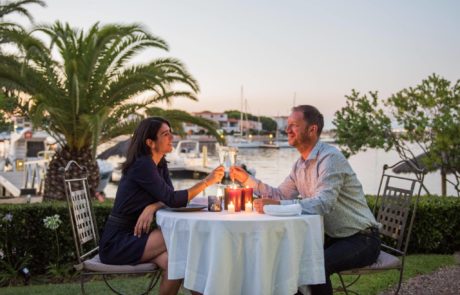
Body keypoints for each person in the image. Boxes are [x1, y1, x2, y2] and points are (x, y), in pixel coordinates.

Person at [230, 105, 381, 295]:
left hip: (362, 239)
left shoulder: (330, 159)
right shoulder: (299, 165)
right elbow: (281, 195)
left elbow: (323, 203)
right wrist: (247, 180)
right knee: (287, 260)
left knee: (316, 266)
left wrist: (279, 206)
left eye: (293, 125)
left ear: (312, 129)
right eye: (288, 125)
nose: (287, 130)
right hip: (332, 238)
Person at [99, 117, 224, 295]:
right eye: (165, 134)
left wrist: (153, 207)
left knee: (180, 264)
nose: (171, 137)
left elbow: (168, 197)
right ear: (150, 142)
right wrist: (207, 181)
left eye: (170, 132)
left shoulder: (159, 163)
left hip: (137, 236)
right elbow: (173, 199)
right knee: (183, 234)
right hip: (118, 243)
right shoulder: (142, 165)